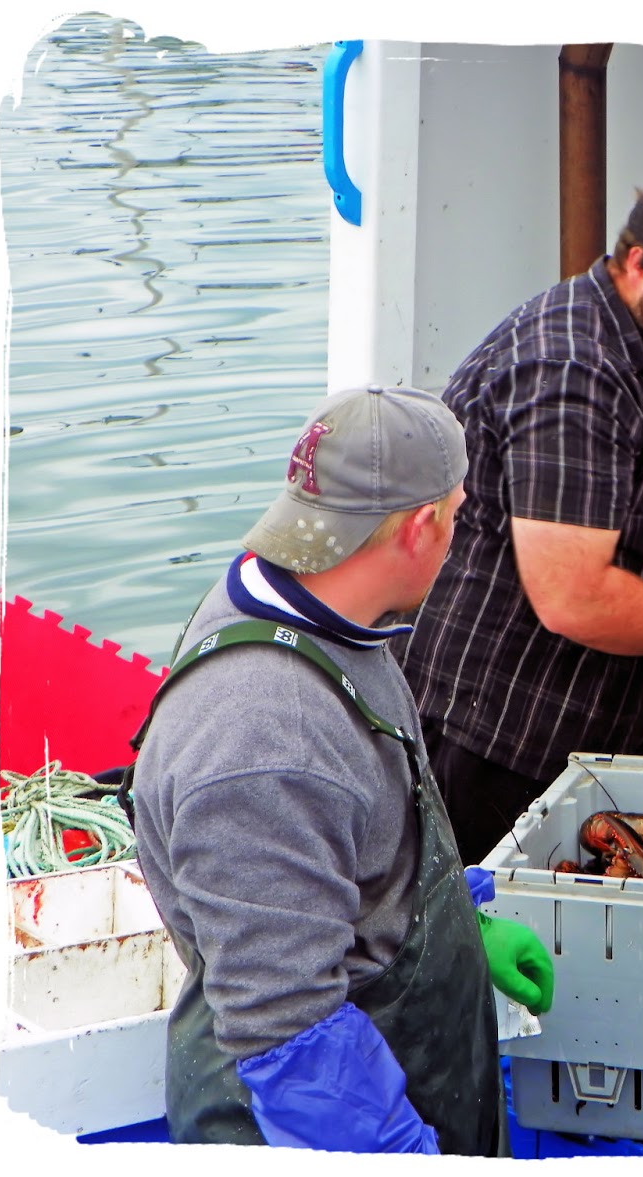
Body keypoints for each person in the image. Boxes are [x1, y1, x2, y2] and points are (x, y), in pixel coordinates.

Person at [126, 385, 552, 1154]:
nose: (459, 534)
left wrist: (461, 920)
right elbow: (287, 1032)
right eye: (457, 514)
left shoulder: (321, 608)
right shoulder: (265, 737)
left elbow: (353, 843)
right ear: (422, 525)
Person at [396, 170, 643, 865]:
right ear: (637, 263)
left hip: (581, 727)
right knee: (485, 946)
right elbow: (572, 593)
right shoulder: (572, 369)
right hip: (496, 738)